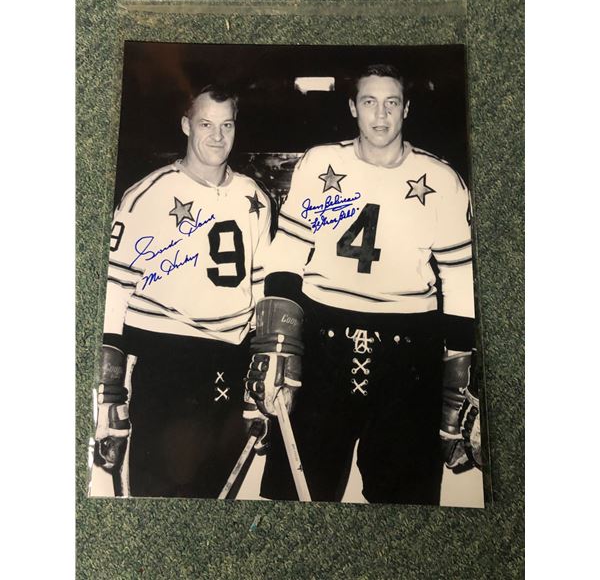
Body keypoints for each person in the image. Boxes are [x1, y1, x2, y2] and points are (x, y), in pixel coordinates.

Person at [246, 64, 478, 504]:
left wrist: (456, 369)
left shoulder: (444, 180)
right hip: (322, 341)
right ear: (353, 107)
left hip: (409, 348)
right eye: (369, 102)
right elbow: (288, 253)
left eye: (392, 103)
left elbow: (458, 278)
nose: (381, 115)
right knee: (296, 495)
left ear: (406, 109)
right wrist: (277, 346)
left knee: (406, 504)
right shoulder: (322, 163)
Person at [93, 85, 272, 497]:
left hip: (228, 359)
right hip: (165, 357)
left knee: (216, 492)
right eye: (206, 124)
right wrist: (111, 388)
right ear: (185, 125)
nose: (217, 136)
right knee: (158, 493)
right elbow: (114, 292)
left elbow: (262, 288)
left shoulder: (254, 196)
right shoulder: (148, 195)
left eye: (227, 125)